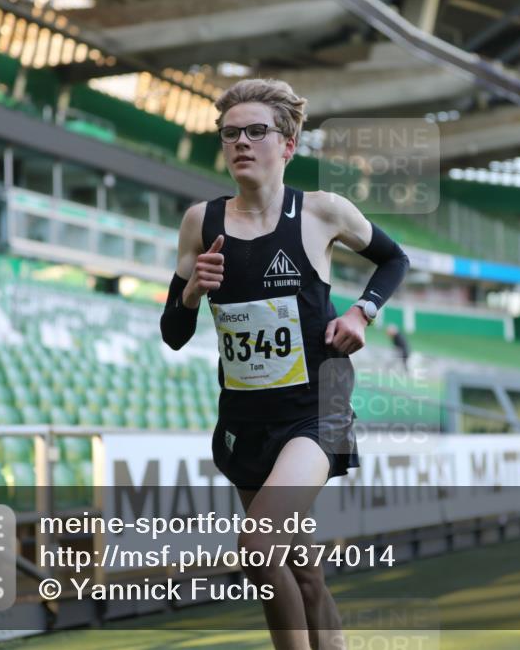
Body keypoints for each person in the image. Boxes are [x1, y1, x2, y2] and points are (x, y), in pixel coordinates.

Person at [160, 78, 408, 650]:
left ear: (288, 144)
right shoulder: (202, 222)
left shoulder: (322, 212)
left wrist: (361, 313)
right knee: (303, 574)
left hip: (314, 412)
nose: (241, 142)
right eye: (230, 134)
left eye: (255, 131)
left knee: (258, 546)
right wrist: (192, 291)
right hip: (245, 423)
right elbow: (174, 333)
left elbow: (394, 259)